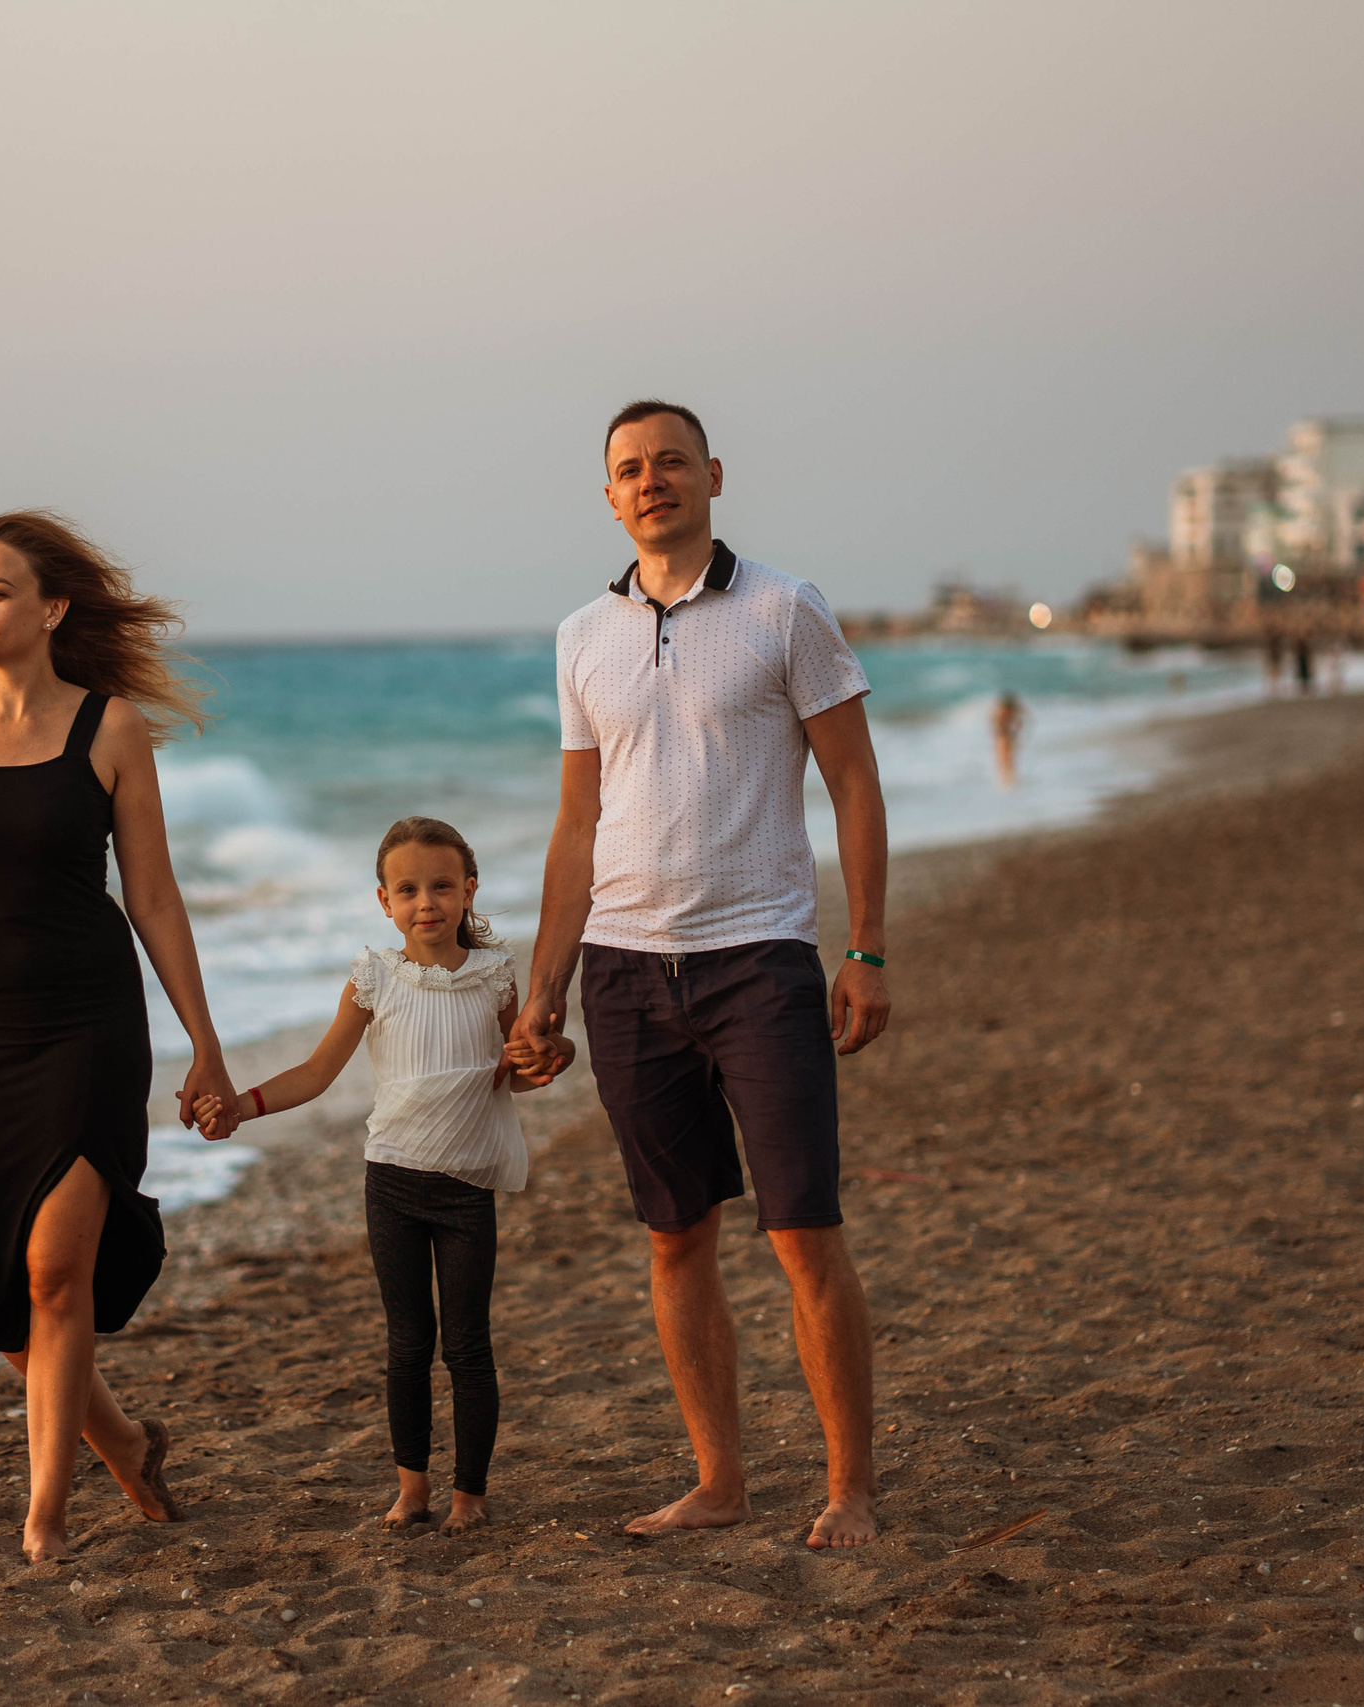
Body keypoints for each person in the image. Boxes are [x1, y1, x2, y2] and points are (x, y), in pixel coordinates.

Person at [507, 399, 892, 1551]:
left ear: (712, 475)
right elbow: (577, 824)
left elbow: (855, 784)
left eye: (670, 461)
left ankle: (849, 1492)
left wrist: (864, 948)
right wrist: (542, 990)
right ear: (609, 493)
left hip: (759, 959)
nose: (651, 480)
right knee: (675, 1236)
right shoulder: (582, 634)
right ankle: (717, 1482)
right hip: (624, 972)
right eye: (629, 468)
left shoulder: (784, 609)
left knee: (800, 1232)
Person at [0, 510, 237, 1563]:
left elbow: (156, 900)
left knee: (55, 1275)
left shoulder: (109, 729)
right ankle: (127, 1443)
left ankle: (43, 1521)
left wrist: (205, 1045)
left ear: (49, 610)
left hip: (90, 1023)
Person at [199, 817, 563, 1535]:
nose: (425, 901)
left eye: (440, 886)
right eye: (407, 889)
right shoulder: (373, 978)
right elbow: (317, 1069)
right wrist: (242, 1106)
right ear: (383, 900)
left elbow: (519, 1074)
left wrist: (553, 1056)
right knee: (407, 1340)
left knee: (466, 1344)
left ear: (469, 890)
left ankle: (470, 1494)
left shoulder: (495, 977)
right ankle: (412, 1489)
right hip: (391, 1179)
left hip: (466, 1185)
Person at [990, 691, 1025, 789]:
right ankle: (1008, 781)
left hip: (1004, 736)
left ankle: (1006, 781)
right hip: (1006, 736)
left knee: (1005, 759)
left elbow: (996, 725)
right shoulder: (1005, 712)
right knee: (1007, 759)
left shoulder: (1001, 712)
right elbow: (1019, 723)